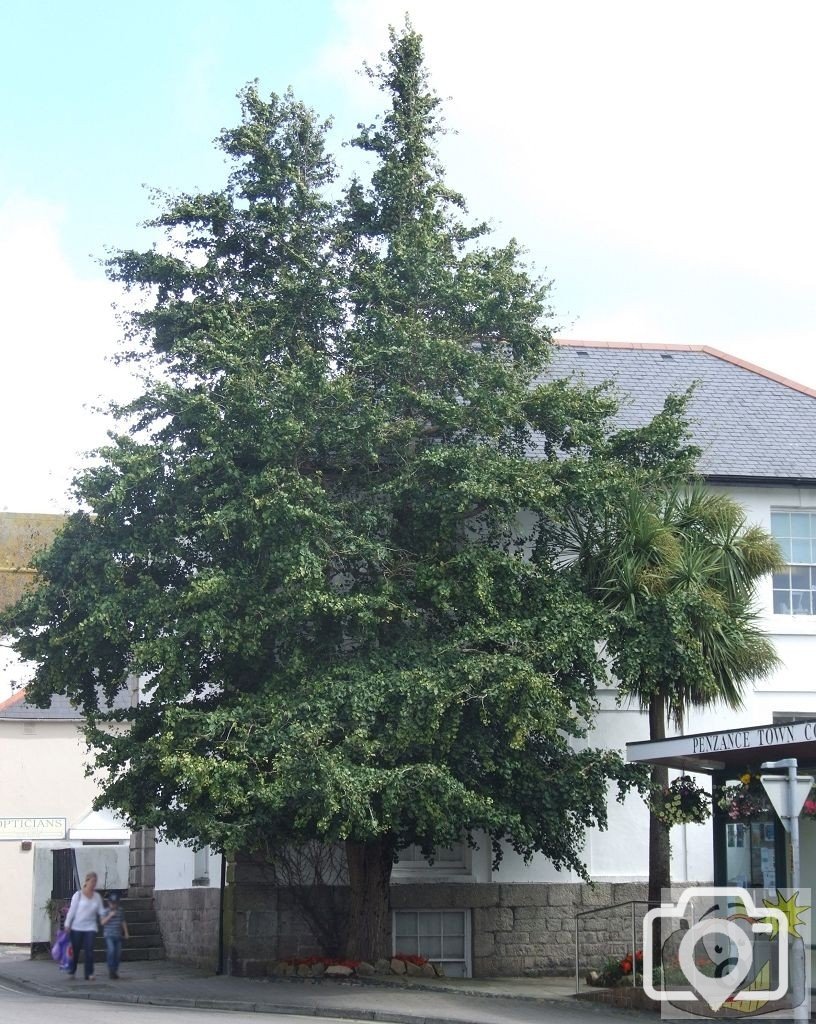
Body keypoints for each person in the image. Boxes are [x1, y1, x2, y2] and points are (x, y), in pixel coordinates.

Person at [63, 871, 104, 980]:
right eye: (92, 881)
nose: (94, 884)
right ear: (87, 881)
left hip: (90, 927)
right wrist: (67, 924)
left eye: (95, 882)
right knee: (75, 950)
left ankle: (89, 973)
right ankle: (72, 970)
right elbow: (72, 911)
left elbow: (101, 911)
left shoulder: (96, 897)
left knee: (89, 950)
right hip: (77, 927)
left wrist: (105, 917)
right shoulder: (78, 895)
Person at [101, 891, 129, 979]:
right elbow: (102, 922)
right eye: (112, 903)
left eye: (115, 903)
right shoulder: (105, 911)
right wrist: (110, 915)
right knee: (111, 951)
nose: (114, 905)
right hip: (109, 935)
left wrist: (126, 932)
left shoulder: (120, 911)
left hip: (118, 935)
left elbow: (123, 922)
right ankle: (111, 969)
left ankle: (115, 970)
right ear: (109, 903)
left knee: (118, 954)